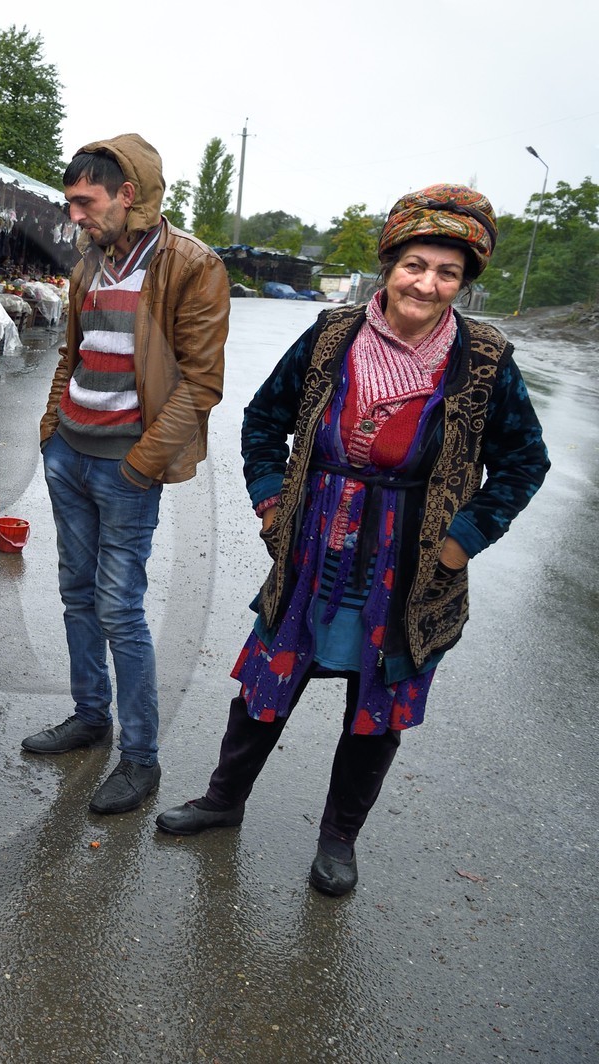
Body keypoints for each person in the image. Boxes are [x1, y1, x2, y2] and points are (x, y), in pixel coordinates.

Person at [155, 185, 550, 896]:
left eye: (447, 273)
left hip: (408, 565)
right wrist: (273, 503)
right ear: (390, 265)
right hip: (311, 551)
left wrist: (462, 540)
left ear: (462, 284)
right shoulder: (333, 335)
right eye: (415, 265)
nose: (427, 284)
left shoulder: (484, 358)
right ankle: (222, 800)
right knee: (265, 683)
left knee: (378, 705)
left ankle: (338, 839)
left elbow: (525, 462)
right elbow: (262, 418)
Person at [26, 135, 230, 815]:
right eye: (71, 203)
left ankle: (141, 758)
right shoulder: (91, 261)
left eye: (85, 202)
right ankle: (91, 716)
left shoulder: (192, 267)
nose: (75, 215)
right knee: (76, 595)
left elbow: (201, 383)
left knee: (119, 608)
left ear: (127, 196)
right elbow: (72, 353)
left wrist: (141, 464)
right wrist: (53, 430)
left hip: (125, 468)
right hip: (70, 456)